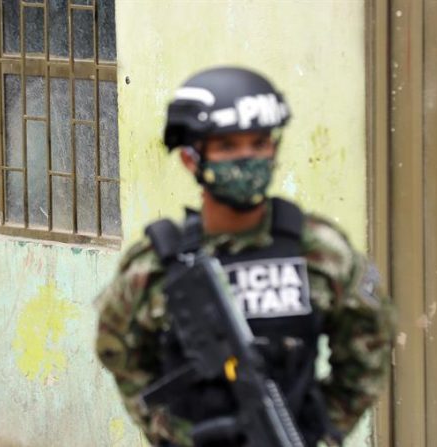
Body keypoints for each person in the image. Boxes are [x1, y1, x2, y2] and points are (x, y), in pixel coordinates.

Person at [94, 67, 395, 447]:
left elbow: (368, 347)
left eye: (259, 143)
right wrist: (168, 431)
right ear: (190, 159)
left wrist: (325, 430)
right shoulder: (157, 264)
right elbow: (117, 347)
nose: (247, 158)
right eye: (227, 146)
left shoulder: (319, 252)